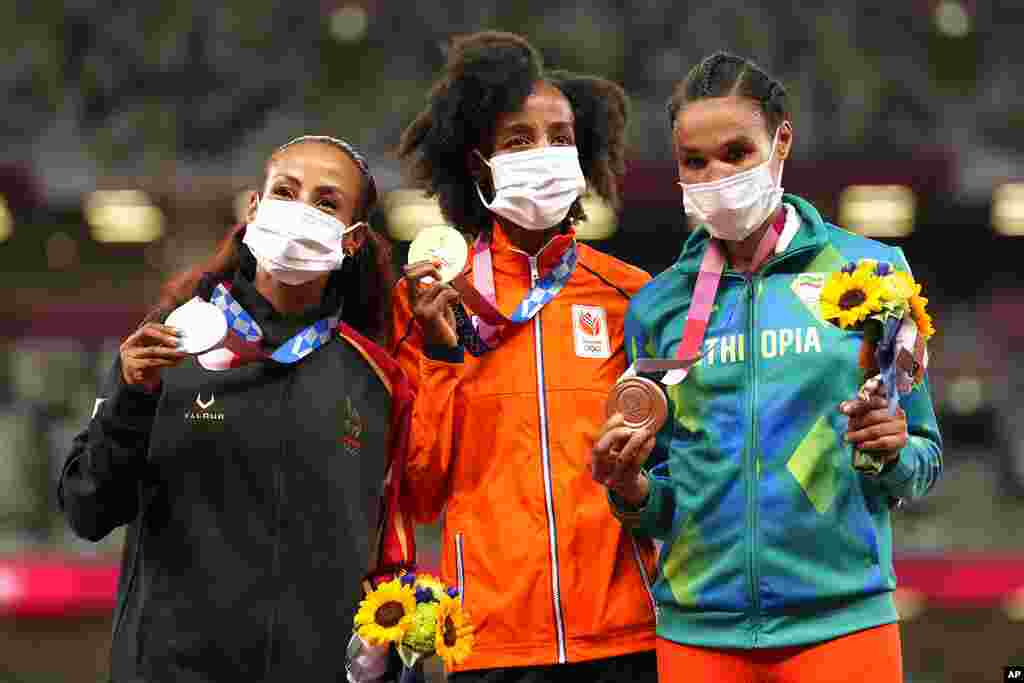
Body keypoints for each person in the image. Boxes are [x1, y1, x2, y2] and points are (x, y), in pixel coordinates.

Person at [591, 52, 943, 682]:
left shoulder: (869, 274)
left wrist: (893, 453)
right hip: (699, 634)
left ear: (782, 140)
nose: (715, 174)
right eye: (694, 162)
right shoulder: (660, 306)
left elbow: (924, 460)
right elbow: (665, 491)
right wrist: (631, 490)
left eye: (736, 152)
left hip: (843, 625)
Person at [58, 135, 416, 682]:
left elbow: (383, 555)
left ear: (353, 239)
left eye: (326, 203)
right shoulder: (166, 348)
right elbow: (87, 510)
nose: (301, 212)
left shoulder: (375, 381)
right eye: (286, 192)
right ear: (254, 209)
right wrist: (132, 400)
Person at [391, 31, 658, 683]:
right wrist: (439, 352)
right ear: (478, 161)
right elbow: (421, 492)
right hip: (490, 644)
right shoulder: (432, 298)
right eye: (518, 140)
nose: (544, 154)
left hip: (623, 635)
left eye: (561, 137)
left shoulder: (632, 296)